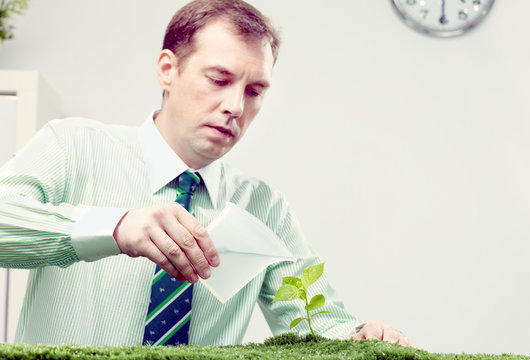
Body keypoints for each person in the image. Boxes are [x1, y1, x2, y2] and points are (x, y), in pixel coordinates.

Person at [0, 0, 410, 347]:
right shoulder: (73, 146)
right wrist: (116, 227)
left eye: (254, 91)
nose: (235, 105)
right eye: (219, 79)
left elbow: (313, 322)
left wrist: (360, 337)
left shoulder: (264, 207)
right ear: (168, 70)